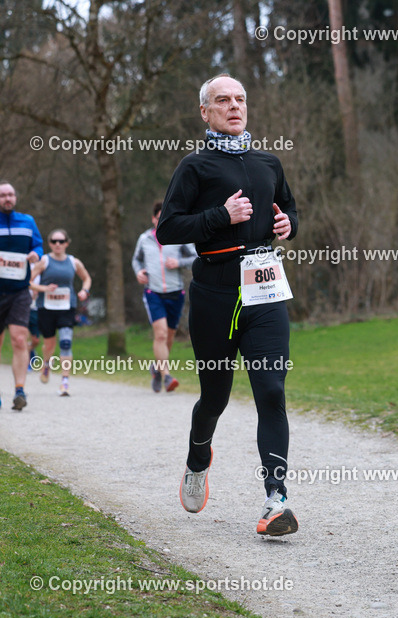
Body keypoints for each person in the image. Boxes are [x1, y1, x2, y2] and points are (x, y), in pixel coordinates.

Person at [157, 73, 299, 537]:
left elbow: (290, 209)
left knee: (272, 391)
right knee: (215, 395)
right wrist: (221, 216)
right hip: (216, 291)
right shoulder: (195, 167)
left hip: (265, 287)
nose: (234, 106)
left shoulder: (268, 163)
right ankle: (198, 461)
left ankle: (276, 500)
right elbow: (169, 229)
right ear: (206, 112)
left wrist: (287, 226)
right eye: (223, 100)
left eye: (240, 98)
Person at [132, 200, 197, 392]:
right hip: (153, 292)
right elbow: (136, 260)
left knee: (168, 337)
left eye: (165, 218)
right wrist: (139, 272)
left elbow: (196, 257)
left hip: (175, 292)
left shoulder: (179, 236)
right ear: (153, 218)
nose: (162, 222)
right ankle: (167, 376)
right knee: (159, 334)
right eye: (159, 218)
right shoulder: (144, 239)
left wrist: (178, 262)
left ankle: (156, 368)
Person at [29, 229, 91, 397]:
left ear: (67, 243)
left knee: (65, 343)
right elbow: (28, 281)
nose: (58, 244)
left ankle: (65, 382)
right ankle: (47, 363)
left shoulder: (73, 262)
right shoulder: (44, 261)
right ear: (49, 243)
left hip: (66, 307)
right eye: (54, 241)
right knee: (49, 344)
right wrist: (44, 288)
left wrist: (84, 291)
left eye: (61, 241)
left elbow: (86, 278)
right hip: (46, 308)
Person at [0, 181, 43, 411]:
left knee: (18, 338)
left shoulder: (27, 222)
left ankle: (19, 390)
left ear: (15, 198)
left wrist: (35, 255)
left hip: (19, 291)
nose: (7, 198)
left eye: (10, 195)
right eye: (3, 195)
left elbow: (38, 245)